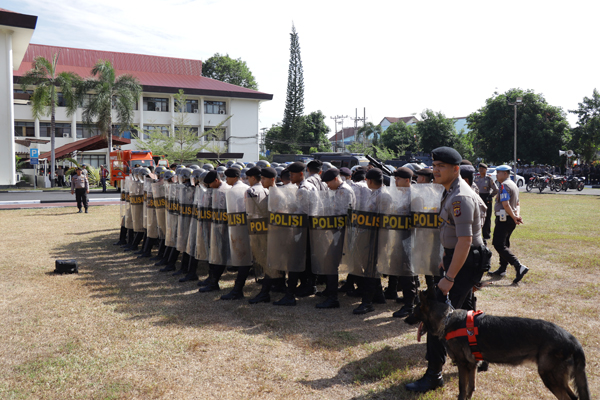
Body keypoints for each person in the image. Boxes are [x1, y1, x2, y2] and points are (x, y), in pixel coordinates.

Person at [405, 146, 485, 393]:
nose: (435, 170)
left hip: (463, 263)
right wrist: (445, 256)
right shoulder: (450, 190)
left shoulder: (460, 196)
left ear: (456, 169)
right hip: (458, 259)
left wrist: (449, 276)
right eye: (434, 165)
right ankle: (478, 355)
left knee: (437, 317)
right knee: (466, 313)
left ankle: (433, 375)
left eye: (441, 166)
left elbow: (465, 241)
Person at [388, 167, 419, 319]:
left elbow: (416, 220)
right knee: (405, 271)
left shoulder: (414, 195)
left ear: (407, 180)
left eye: (398, 179)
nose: (396, 182)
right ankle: (413, 299)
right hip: (400, 236)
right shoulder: (401, 193)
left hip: (409, 238)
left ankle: (409, 305)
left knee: (407, 272)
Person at [488, 165, 528, 283]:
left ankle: (518, 266)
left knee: (498, 244)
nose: (496, 175)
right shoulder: (513, 185)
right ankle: (502, 268)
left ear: (505, 173)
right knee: (505, 243)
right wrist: (516, 215)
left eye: (498, 173)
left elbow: (506, 204)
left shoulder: (504, 185)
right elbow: (517, 204)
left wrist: (514, 216)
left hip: (504, 219)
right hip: (510, 218)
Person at [474, 163, 498, 241]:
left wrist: (490, 196)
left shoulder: (489, 179)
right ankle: (477, 234)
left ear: (486, 169)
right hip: (478, 198)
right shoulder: (476, 179)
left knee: (487, 217)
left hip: (486, 198)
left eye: (483, 168)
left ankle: (486, 234)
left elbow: (496, 189)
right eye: (480, 168)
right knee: (477, 216)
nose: (481, 170)